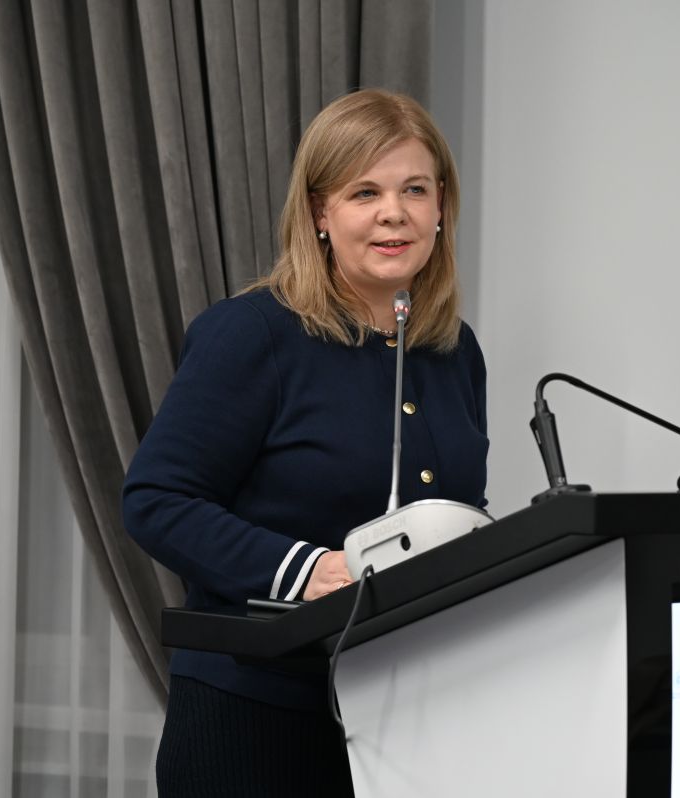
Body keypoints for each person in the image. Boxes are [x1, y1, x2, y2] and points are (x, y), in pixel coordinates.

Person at [122, 88, 489, 796]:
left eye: (415, 189)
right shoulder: (252, 333)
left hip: (407, 720)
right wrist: (307, 570)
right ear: (321, 213)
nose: (394, 212)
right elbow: (156, 499)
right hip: (253, 720)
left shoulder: (453, 349)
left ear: (441, 206)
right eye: (364, 192)